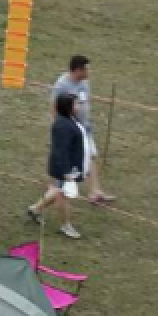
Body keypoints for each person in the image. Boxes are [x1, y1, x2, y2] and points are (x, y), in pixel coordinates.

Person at [52, 55, 115, 204]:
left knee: (91, 156)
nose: (89, 72)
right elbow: (54, 107)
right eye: (86, 69)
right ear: (78, 70)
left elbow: (85, 102)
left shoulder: (84, 83)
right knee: (70, 159)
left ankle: (95, 192)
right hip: (70, 130)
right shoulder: (62, 85)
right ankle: (54, 188)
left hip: (84, 127)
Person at [29, 91, 87, 239]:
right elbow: (61, 151)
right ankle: (65, 225)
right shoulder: (63, 126)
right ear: (68, 107)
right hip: (64, 169)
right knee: (63, 195)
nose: (79, 106)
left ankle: (35, 209)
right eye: (76, 103)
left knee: (57, 192)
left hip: (69, 167)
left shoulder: (69, 120)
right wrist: (66, 172)